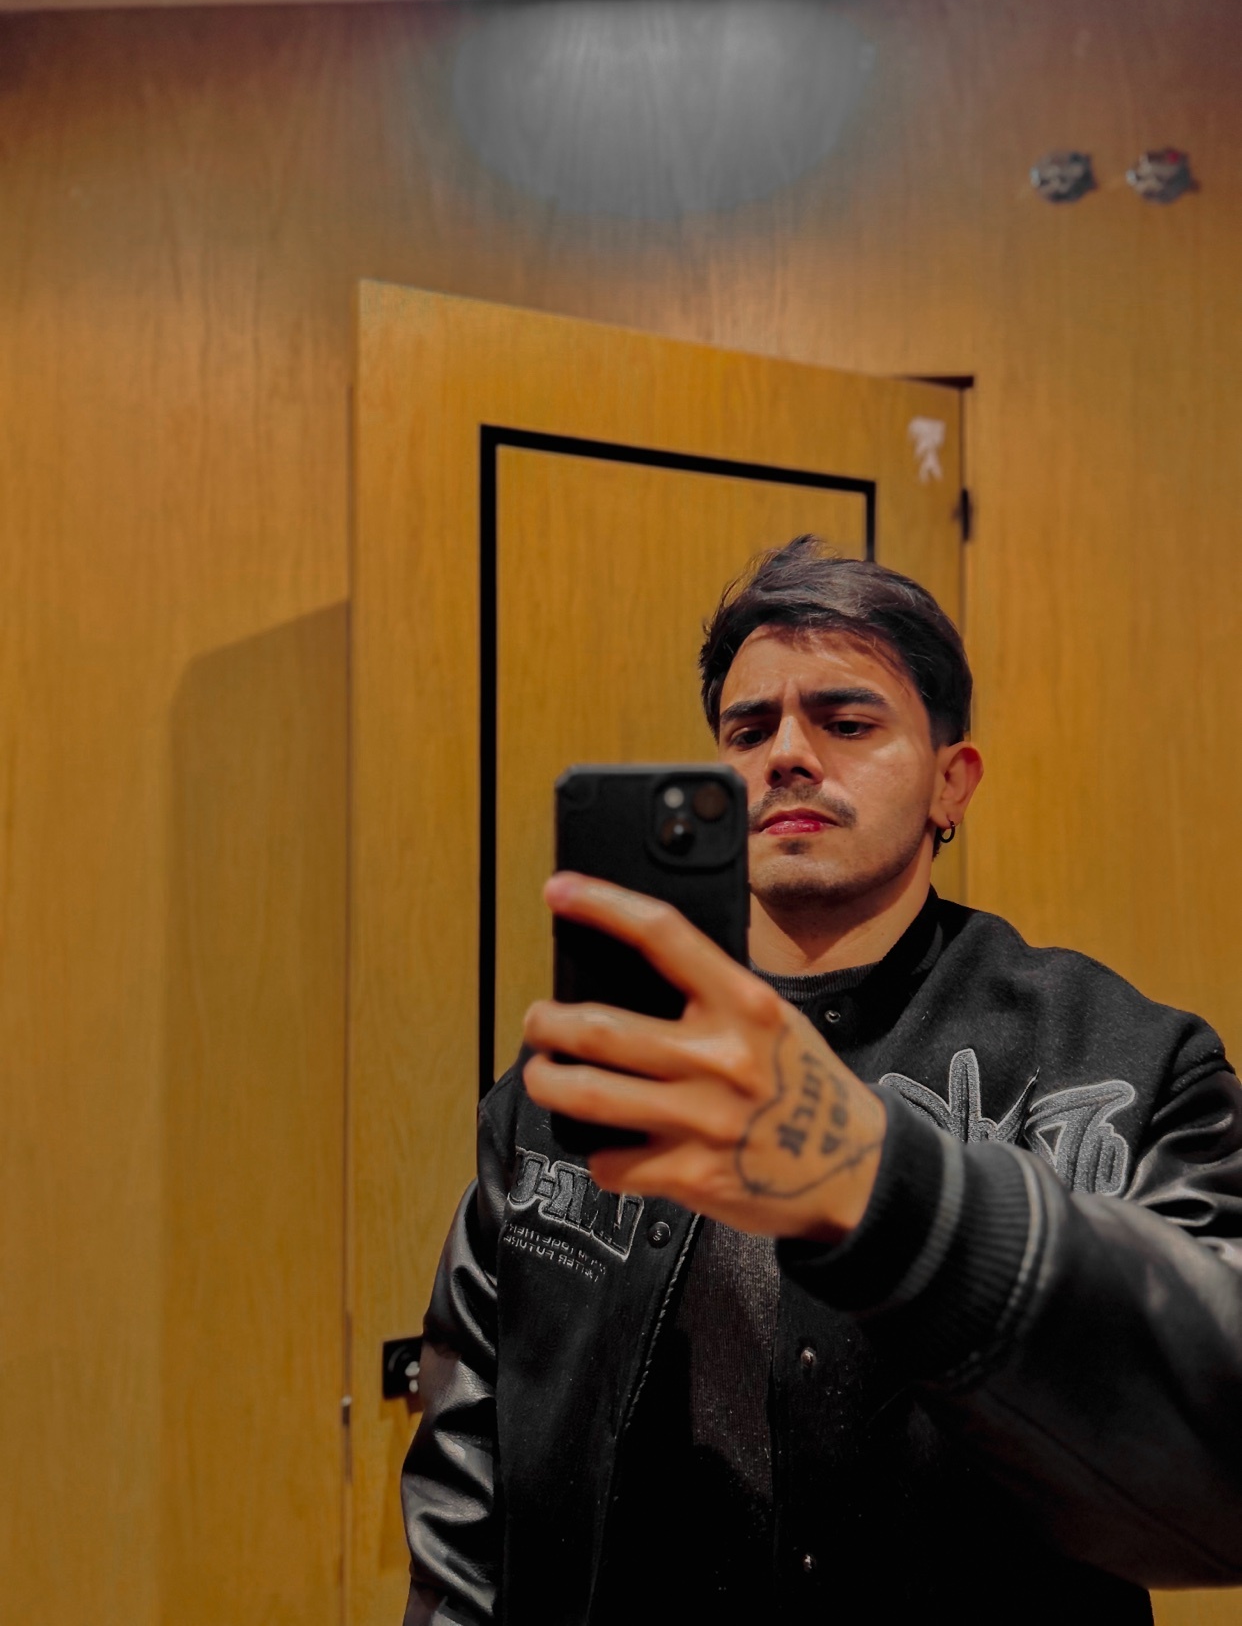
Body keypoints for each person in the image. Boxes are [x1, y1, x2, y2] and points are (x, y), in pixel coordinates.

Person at [401, 536, 1242, 1626]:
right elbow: (465, 1464)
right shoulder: (593, 1069)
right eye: (750, 730)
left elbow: (1218, 1458)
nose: (788, 756)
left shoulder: (1128, 1065)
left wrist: (886, 1193)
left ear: (951, 781)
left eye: (847, 723)